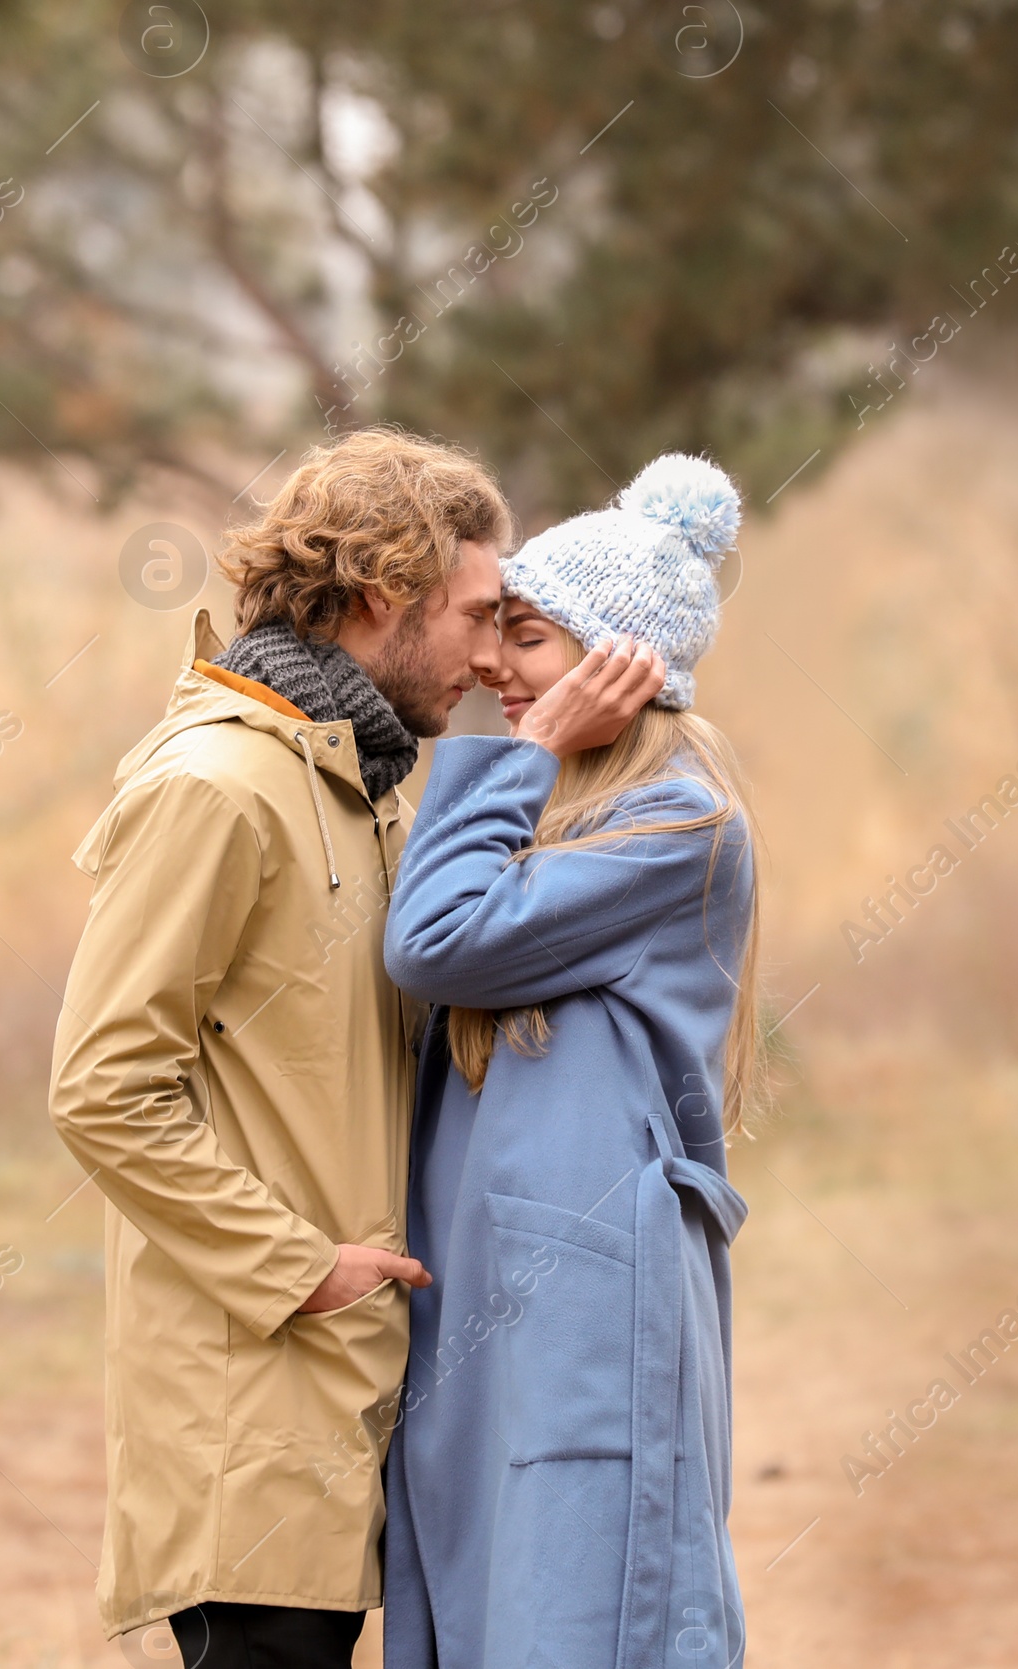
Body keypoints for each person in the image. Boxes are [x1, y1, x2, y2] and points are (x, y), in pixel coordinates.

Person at [47, 428, 513, 1668]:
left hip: (354, 1383)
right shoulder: (216, 785)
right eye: (474, 614)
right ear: (379, 598)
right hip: (247, 1400)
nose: (486, 654)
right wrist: (300, 1267)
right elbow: (102, 1088)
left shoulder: (368, 785)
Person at [381, 453, 761, 1669]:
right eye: (493, 627)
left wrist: (530, 743)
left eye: (527, 635)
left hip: (587, 1308)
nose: (494, 662)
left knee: (578, 1616)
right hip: (495, 1296)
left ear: (620, 669)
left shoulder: (676, 826)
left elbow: (434, 944)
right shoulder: (548, 818)